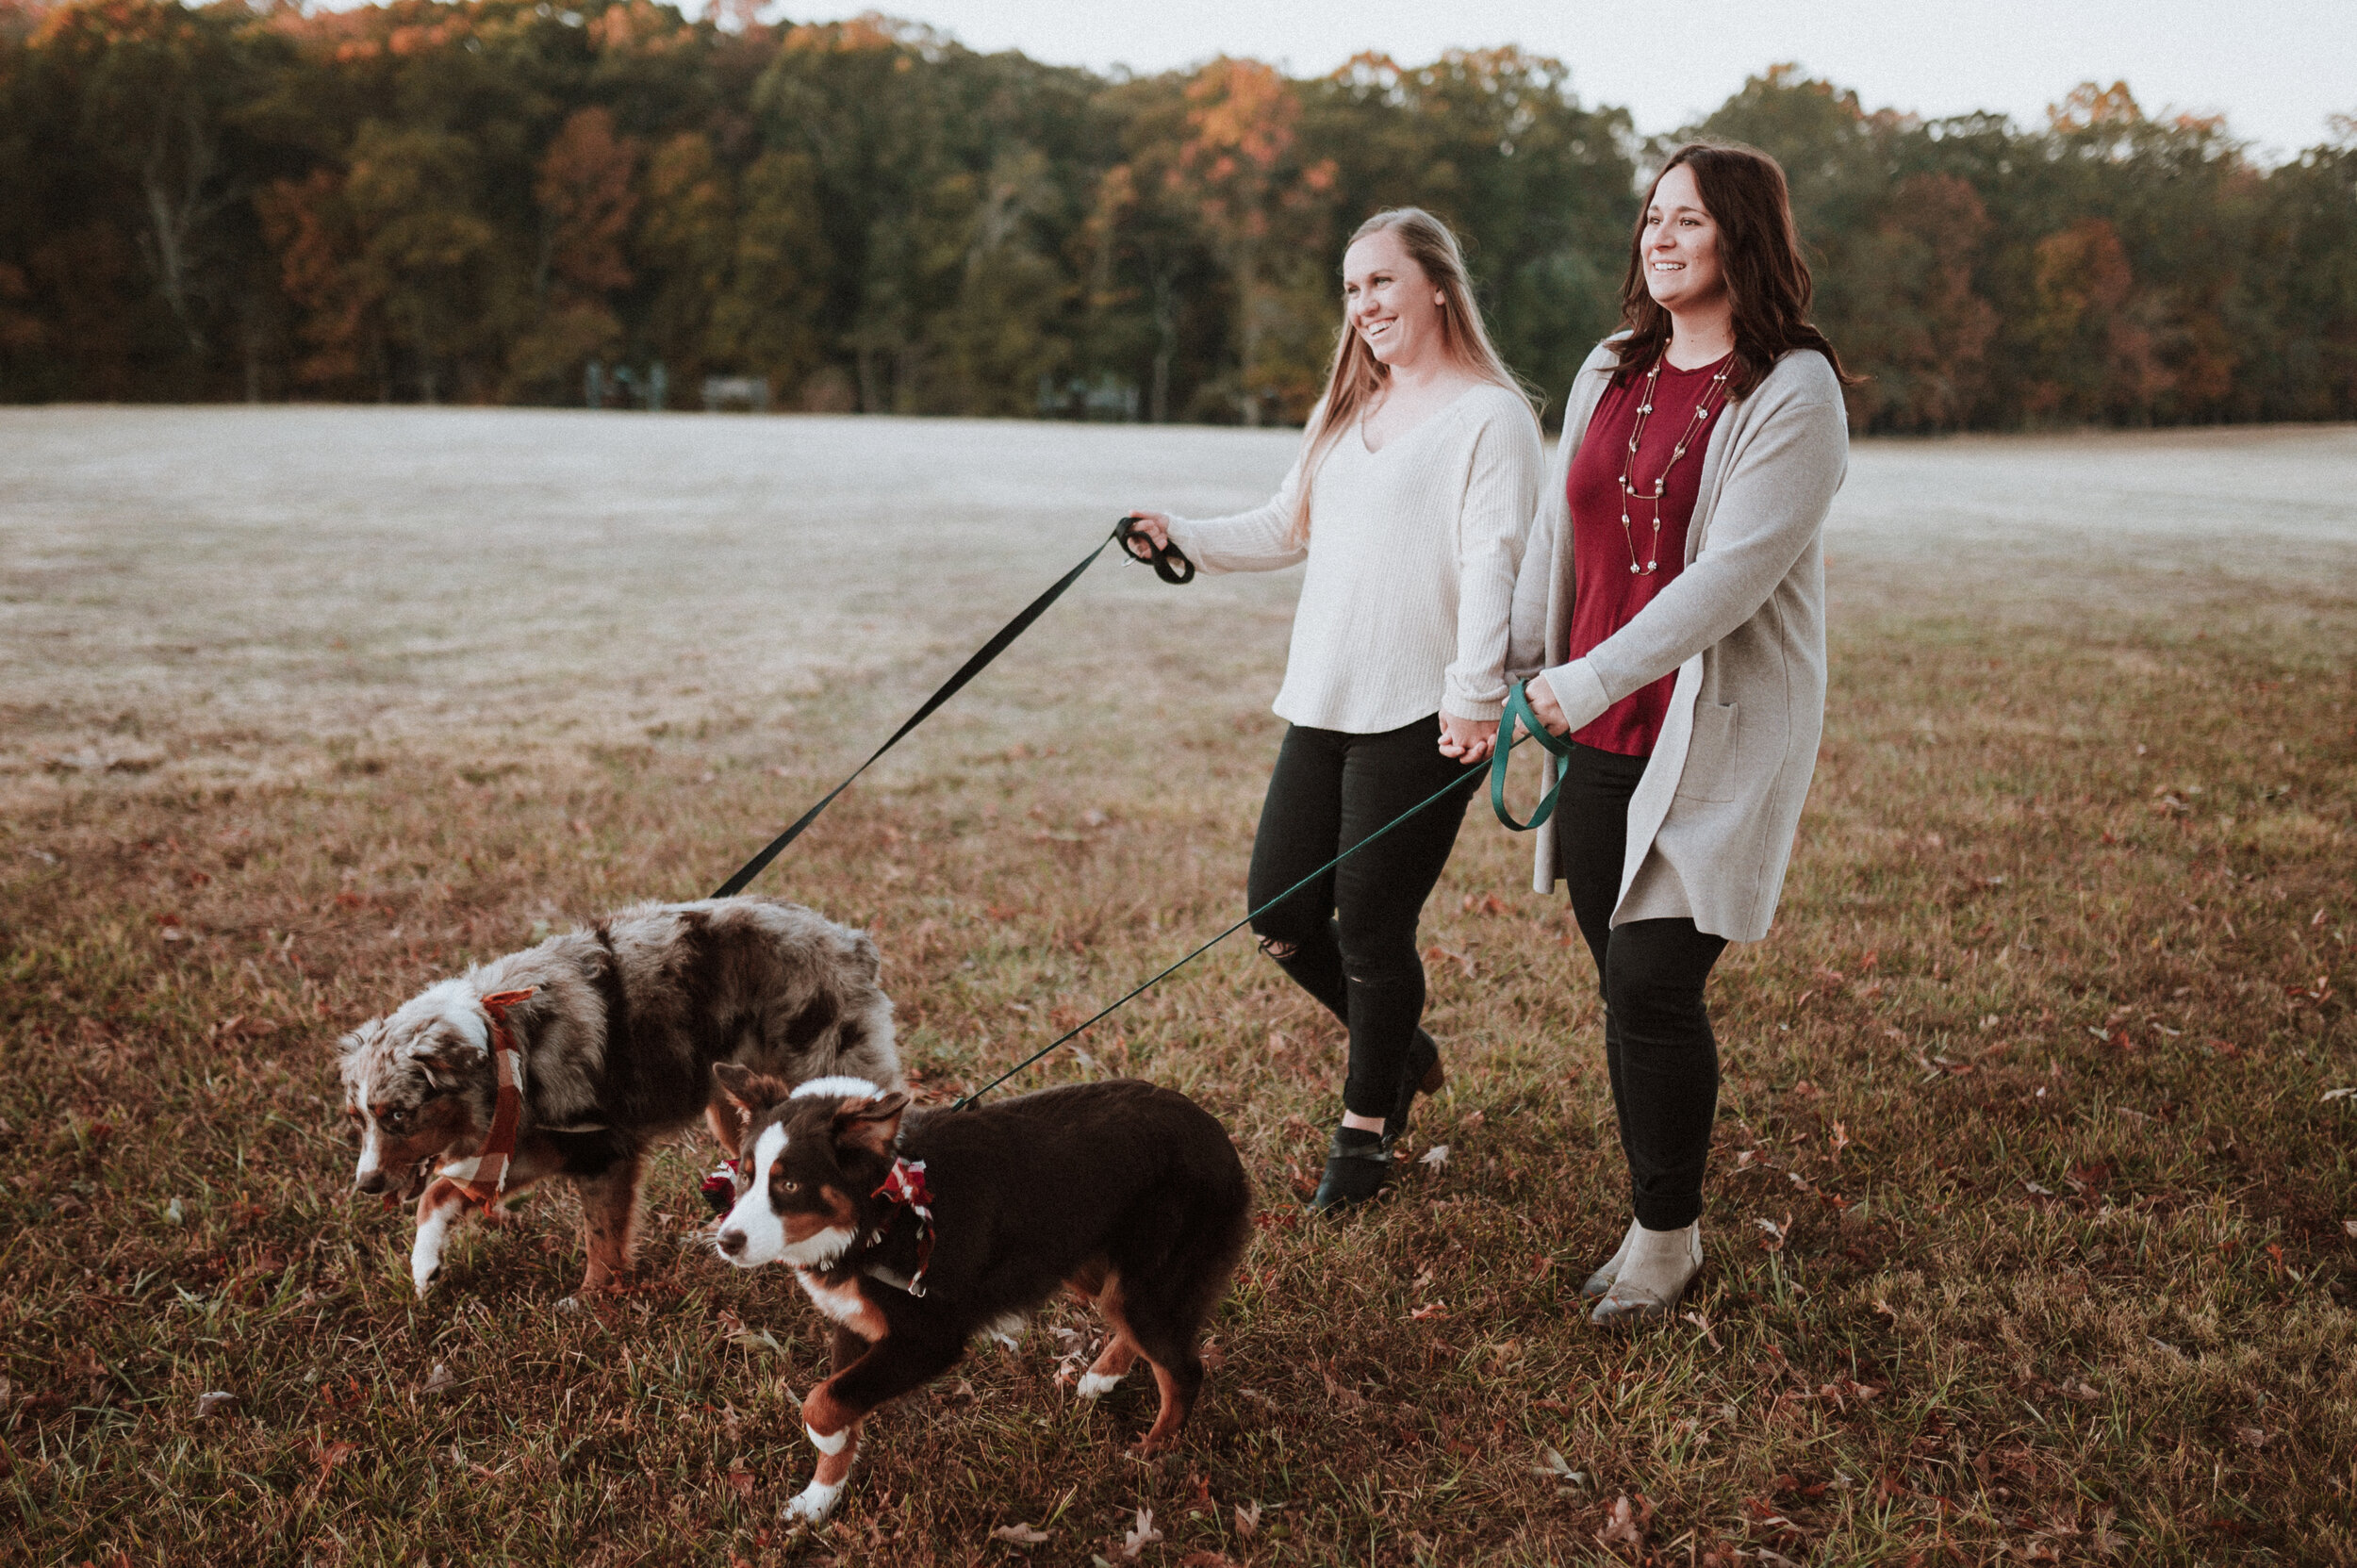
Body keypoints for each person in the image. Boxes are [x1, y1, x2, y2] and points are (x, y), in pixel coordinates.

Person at [1126, 207, 1542, 1212]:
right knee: (1278, 909)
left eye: (1382, 284)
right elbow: (1285, 524)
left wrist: (1475, 697)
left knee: (1371, 927)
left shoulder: (1490, 416)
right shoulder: (1347, 409)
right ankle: (1397, 1042)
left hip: (1426, 709)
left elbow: (1494, 560)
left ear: (1436, 286)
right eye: (1352, 290)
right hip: (1324, 695)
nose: (1363, 307)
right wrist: (1175, 532)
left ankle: (1364, 1132)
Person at [1505, 142, 1853, 1321]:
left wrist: (1589, 677)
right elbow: (1560, 535)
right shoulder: (1612, 365)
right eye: (1650, 219)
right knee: (1627, 987)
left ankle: (1666, 1238)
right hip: (1596, 726)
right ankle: (1665, 1204)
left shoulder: (1792, 389)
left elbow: (1732, 576)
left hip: (1716, 726)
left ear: (1740, 238)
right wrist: (1509, 674)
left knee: (1651, 979)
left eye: (1687, 221)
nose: (1659, 239)